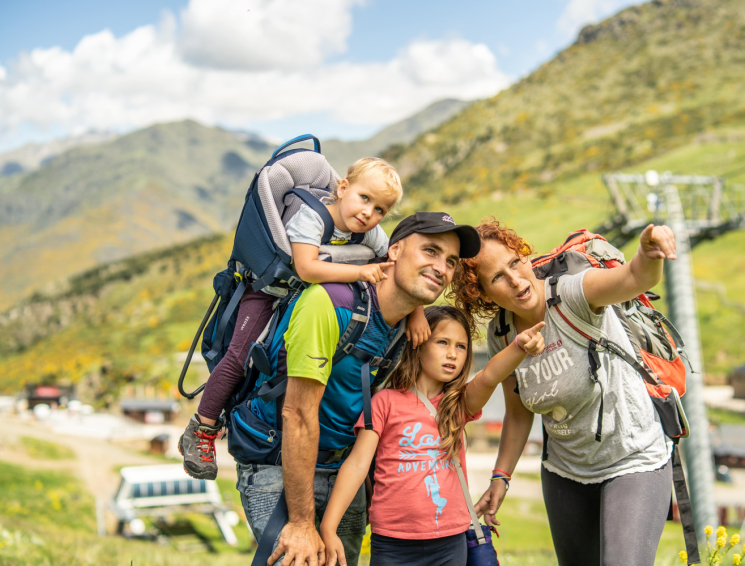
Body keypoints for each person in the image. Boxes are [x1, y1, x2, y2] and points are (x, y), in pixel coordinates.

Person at [240, 212, 482, 566]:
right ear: (394, 251)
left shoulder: (406, 325)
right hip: (279, 466)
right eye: (430, 251)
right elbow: (299, 414)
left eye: (450, 262)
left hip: (343, 474)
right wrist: (302, 522)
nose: (442, 268)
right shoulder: (329, 305)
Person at [178, 158, 430, 480]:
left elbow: (397, 269)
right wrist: (359, 271)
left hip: (308, 299)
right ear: (342, 189)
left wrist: (417, 311)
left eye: (380, 209)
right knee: (239, 356)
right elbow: (307, 268)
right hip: (269, 291)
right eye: (364, 199)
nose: (369, 213)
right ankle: (203, 427)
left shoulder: (371, 233)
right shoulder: (312, 219)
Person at [448, 218, 678, 566]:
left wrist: (648, 252)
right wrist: (501, 476)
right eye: (497, 277)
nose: (515, 280)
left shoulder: (573, 294)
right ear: (482, 293)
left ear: (527, 257)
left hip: (634, 458)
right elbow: (518, 410)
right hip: (565, 472)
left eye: (515, 262)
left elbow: (634, 278)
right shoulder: (503, 334)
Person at [320, 305, 545, 566]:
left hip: (450, 543)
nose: (452, 354)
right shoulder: (384, 402)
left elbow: (490, 377)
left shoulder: (459, 404)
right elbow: (358, 464)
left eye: (461, 347)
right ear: (418, 342)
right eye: (442, 342)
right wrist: (329, 526)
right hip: (392, 544)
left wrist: (519, 346)